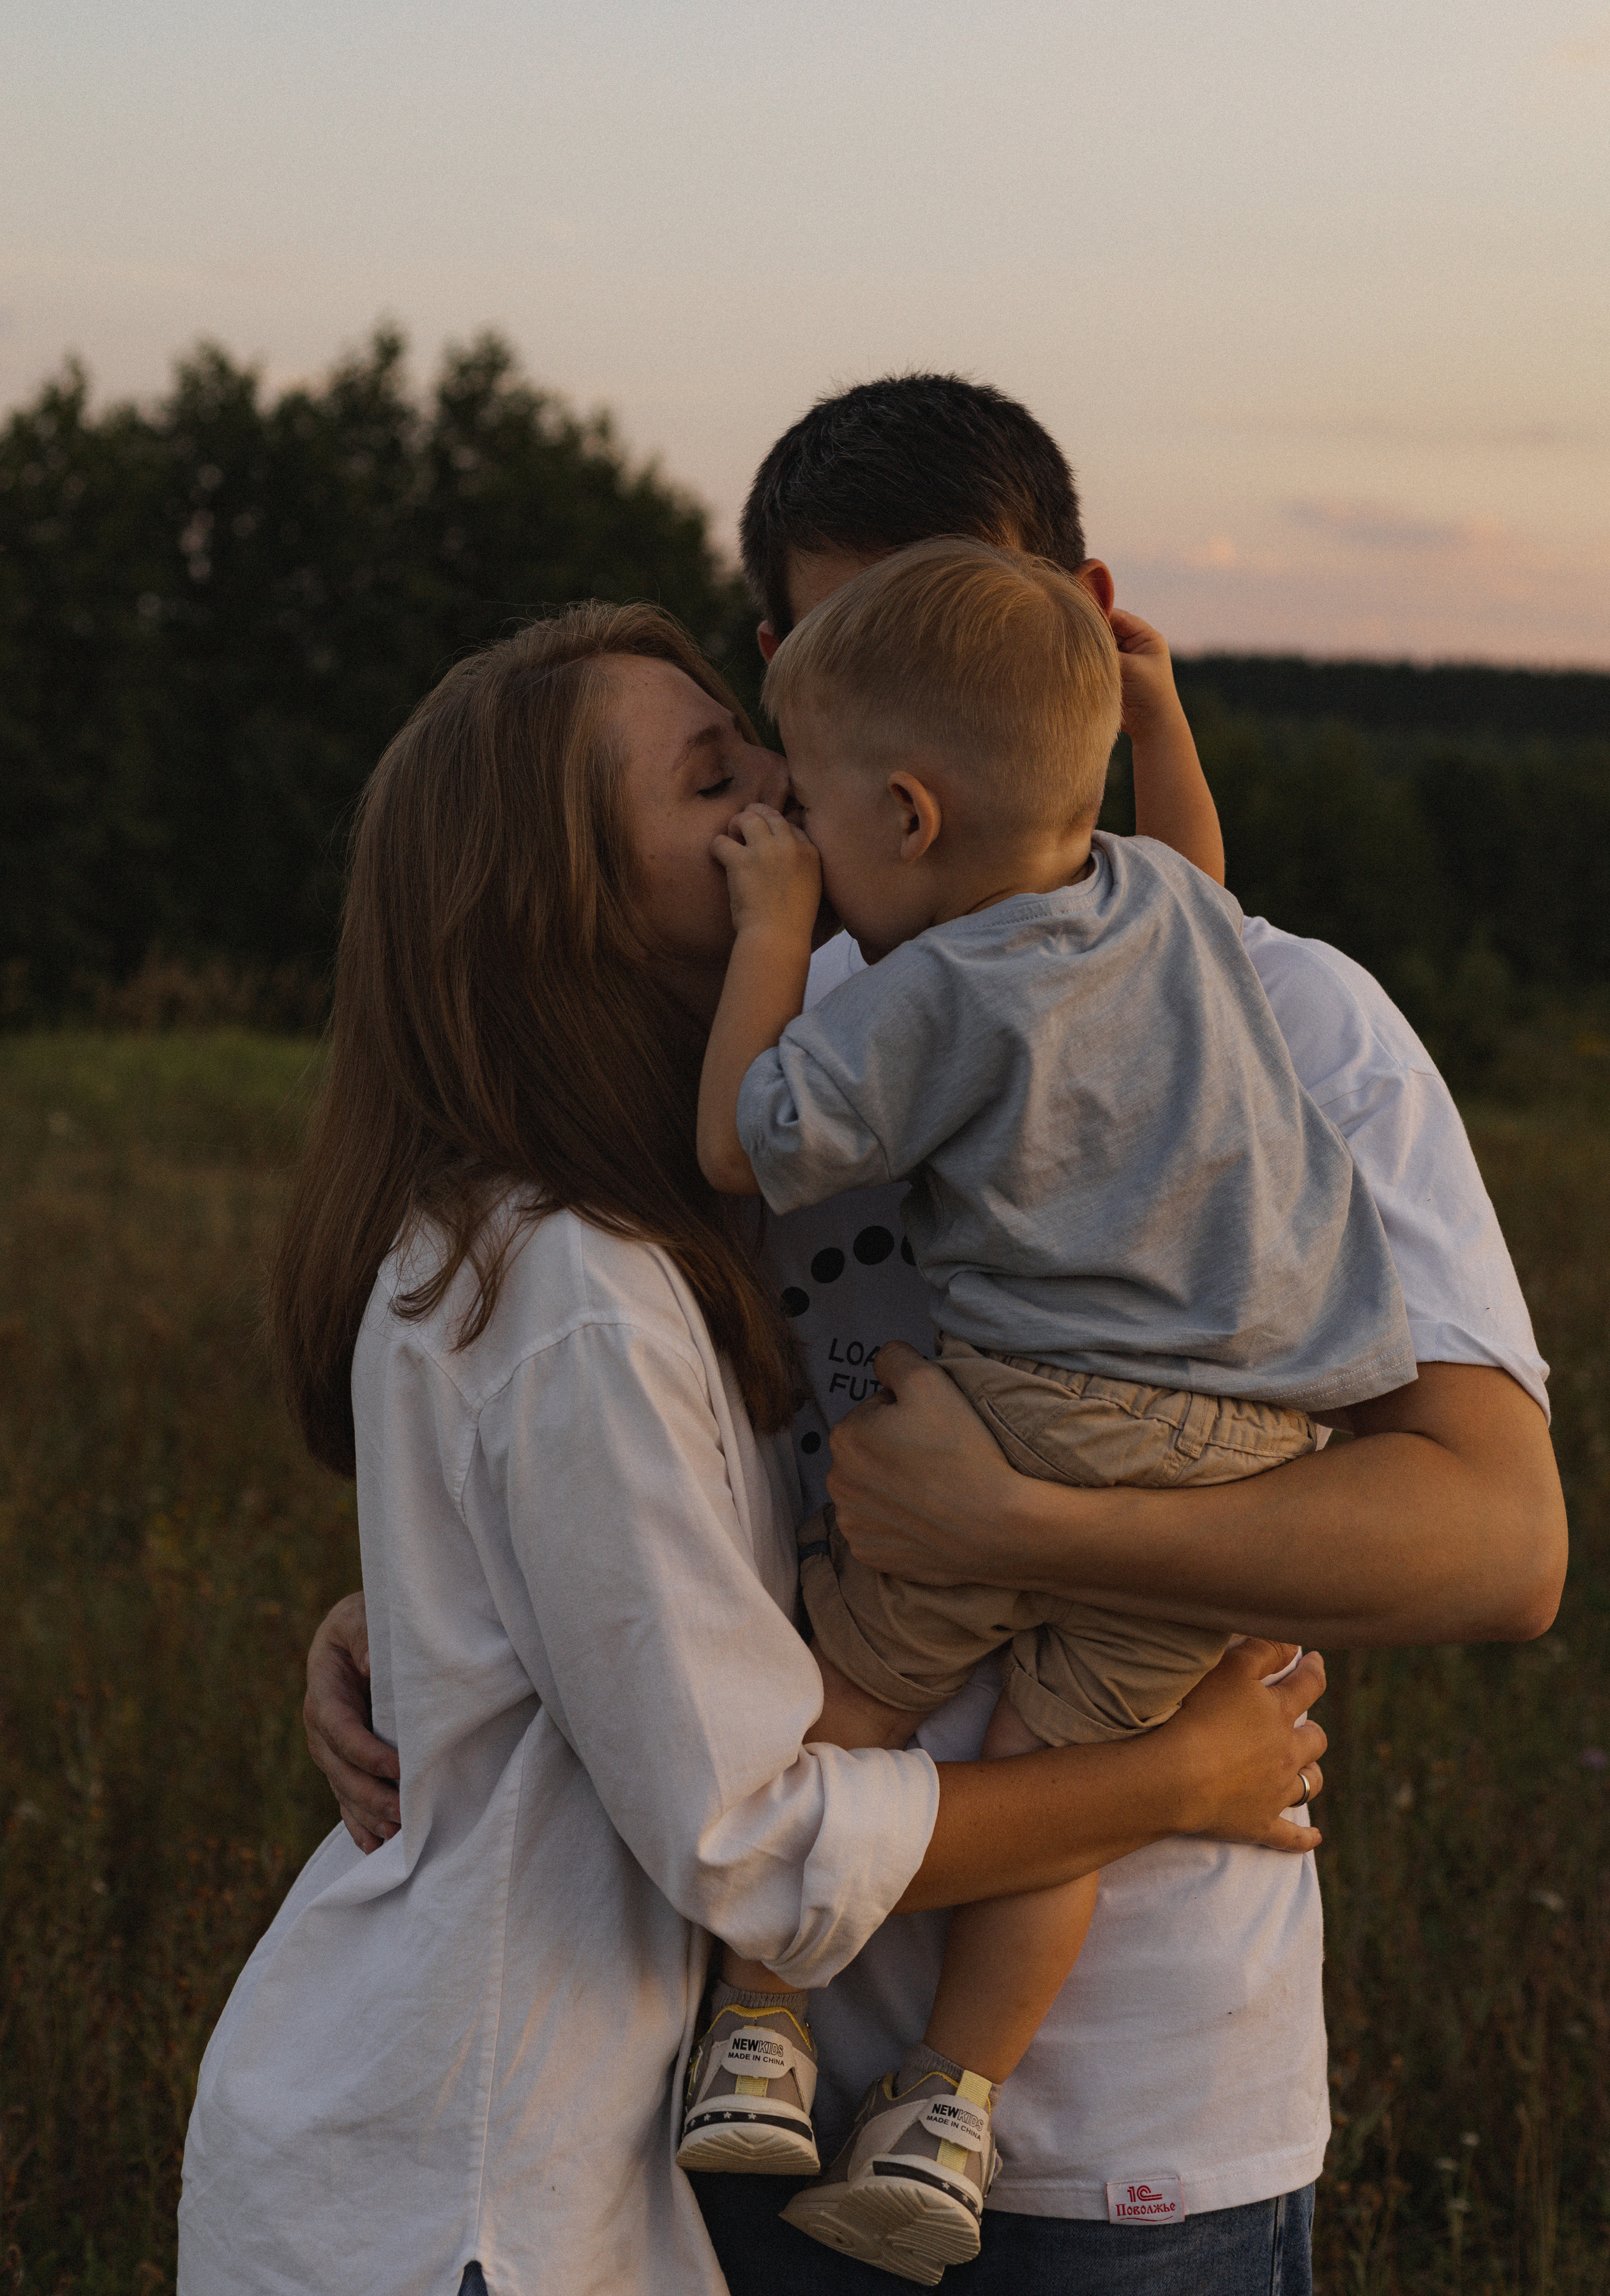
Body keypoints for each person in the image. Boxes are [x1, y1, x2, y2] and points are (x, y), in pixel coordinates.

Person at [305, 375, 1565, 2294]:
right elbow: (601, 1440)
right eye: (849, 665)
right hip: (723, 2110)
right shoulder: (731, 1003)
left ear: (1082, 625)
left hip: (1146, 2142)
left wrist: (1029, 1532)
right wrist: (424, 1614)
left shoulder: (1292, 1021)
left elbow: (1500, 1546)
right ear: (790, 689)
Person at [179, 600, 1328, 2296]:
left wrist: (416, 1632)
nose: (790, 797)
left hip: (525, 2167)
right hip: (466, 2203)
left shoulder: (631, 1227)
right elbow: (748, 1844)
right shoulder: (577, 1282)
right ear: (566, 910)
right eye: (720, 777)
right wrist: (1178, 1781)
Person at [681, 538, 1417, 2280]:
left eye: (828, 818)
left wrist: (775, 925)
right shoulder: (1161, 913)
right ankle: (951, 2108)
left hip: (1031, 1424)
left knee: (852, 1687)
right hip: (1248, 1439)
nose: (810, 840)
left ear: (913, 819)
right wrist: (1158, 718)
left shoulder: (935, 991)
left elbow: (737, 1144)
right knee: (1071, 1779)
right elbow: (1196, 863)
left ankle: (764, 2025)